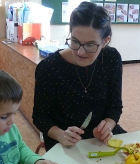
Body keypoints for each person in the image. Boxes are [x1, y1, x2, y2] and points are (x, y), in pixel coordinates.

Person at [32, 2, 126, 151]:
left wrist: (107, 126)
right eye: (75, 41)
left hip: (101, 138)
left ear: (105, 41)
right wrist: (61, 135)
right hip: (64, 140)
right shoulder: (49, 68)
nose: (81, 52)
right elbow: (40, 117)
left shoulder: (111, 59)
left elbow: (114, 107)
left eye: (90, 45)